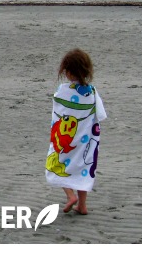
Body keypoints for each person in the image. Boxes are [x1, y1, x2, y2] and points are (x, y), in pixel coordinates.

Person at [45, 48, 107, 215]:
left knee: (56, 164)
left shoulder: (63, 91)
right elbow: (100, 115)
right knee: (82, 170)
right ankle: (82, 205)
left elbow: (58, 111)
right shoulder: (92, 93)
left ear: (69, 72)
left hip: (66, 141)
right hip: (84, 142)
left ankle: (70, 195)